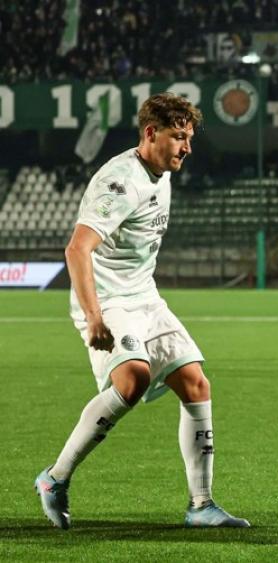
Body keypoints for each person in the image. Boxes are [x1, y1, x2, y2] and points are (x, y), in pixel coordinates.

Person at [34, 93, 248, 530]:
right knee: (133, 379)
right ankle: (54, 479)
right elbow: (77, 249)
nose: (187, 147)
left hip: (143, 296)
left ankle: (201, 505)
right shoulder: (120, 181)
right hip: (107, 299)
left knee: (195, 381)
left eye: (189, 138)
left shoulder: (161, 170)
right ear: (151, 134)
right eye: (179, 137)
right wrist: (94, 317)